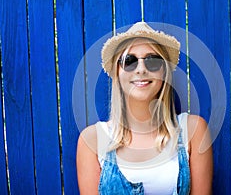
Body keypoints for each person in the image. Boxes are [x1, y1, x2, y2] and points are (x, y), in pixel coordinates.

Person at [76, 22, 213, 195]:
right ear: (117, 71)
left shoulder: (192, 131)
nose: (141, 69)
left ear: (164, 71)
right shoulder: (93, 141)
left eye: (152, 61)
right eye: (130, 61)